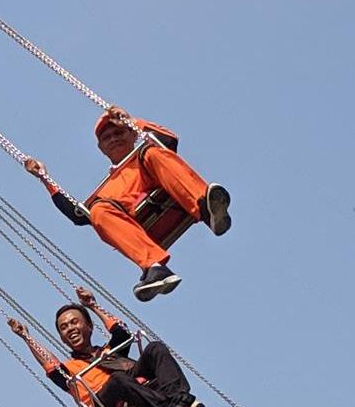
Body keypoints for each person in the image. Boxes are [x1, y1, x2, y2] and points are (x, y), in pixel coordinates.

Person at [23, 105, 231, 301]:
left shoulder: (145, 156)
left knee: (153, 152)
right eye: (107, 138)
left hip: (169, 194)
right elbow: (77, 216)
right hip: (140, 226)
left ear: (131, 135)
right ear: (101, 148)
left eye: (118, 133)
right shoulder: (106, 191)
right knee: (97, 211)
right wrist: (44, 178)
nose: (113, 139)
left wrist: (132, 121)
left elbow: (169, 141)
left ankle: (206, 208)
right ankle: (154, 267)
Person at [8, 286, 207, 407]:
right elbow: (50, 364)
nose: (70, 328)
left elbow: (121, 332)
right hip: (103, 404)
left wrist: (92, 305)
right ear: (61, 337)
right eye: (64, 327)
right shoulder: (69, 369)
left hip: (127, 381)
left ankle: (181, 402)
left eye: (74, 322)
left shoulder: (109, 352)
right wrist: (27, 337)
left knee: (155, 348)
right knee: (118, 380)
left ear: (89, 326)